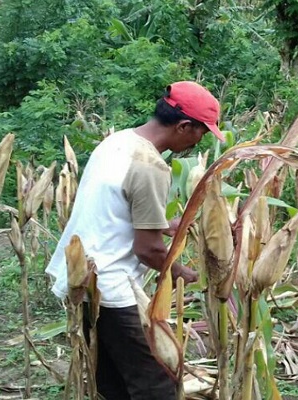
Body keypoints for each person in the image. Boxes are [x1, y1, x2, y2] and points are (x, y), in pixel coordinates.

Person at [45, 81, 224, 399]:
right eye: (202, 132)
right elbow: (148, 249)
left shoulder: (119, 142)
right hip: (114, 289)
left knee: (112, 381)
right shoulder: (151, 167)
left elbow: (115, 211)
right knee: (157, 381)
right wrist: (186, 274)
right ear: (184, 126)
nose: (201, 139)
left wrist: (163, 224)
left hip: (84, 280)